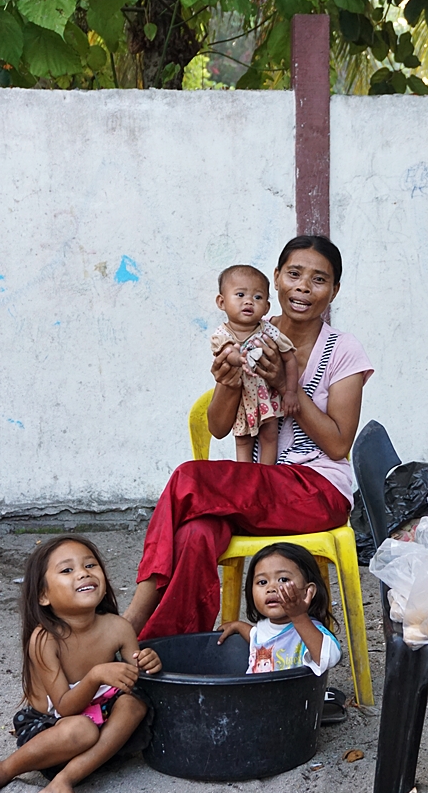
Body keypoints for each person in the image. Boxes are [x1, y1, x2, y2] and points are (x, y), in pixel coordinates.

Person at [124, 234, 373, 643]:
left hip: (316, 490)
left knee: (189, 478)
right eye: (294, 274)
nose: (304, 288)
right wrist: (228, 382)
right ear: (275, 279)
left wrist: (286, 385)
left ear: (334, 291)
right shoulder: (248, 332)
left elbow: (338, 444)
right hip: (256, 489)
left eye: (319, 280)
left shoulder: (344, 351)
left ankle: (131, 618)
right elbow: (220, 426)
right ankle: (167, 649)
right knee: (195, 534)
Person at [0, 536, 161, 793]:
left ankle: (63, 781)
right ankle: (4, 770)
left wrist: (148, 663)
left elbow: (135, 680)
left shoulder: (118, 627)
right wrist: (95, 676)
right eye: (67, 570)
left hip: (103, 722)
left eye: (90, 565)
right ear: (44, 596)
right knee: (81, 729)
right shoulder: (45, 639)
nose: (83, 573)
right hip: (54, 729)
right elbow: (66, 707)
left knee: (135, 705)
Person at [211, 264, 299, 464]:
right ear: (222, 302)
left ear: (266, 307)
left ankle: (266, 477)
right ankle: (246, 483)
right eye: (240, 295)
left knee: (270, 435)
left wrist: (291, 392)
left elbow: (289, 357)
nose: (249, 301)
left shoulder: (268, 330)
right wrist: (239, 358)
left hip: (265, 395)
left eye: (257, 297)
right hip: (241, 400)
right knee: (243, 440)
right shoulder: (222, 334)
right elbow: (228, 352)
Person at [217, 542, 341, 676]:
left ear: (307, 592)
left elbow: (329, 658)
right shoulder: (262, 629)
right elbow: (261, 638)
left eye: (283, 579)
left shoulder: (309, 630)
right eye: (262, 582)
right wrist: (238, 626)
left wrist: (299, 617)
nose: (271, 588)